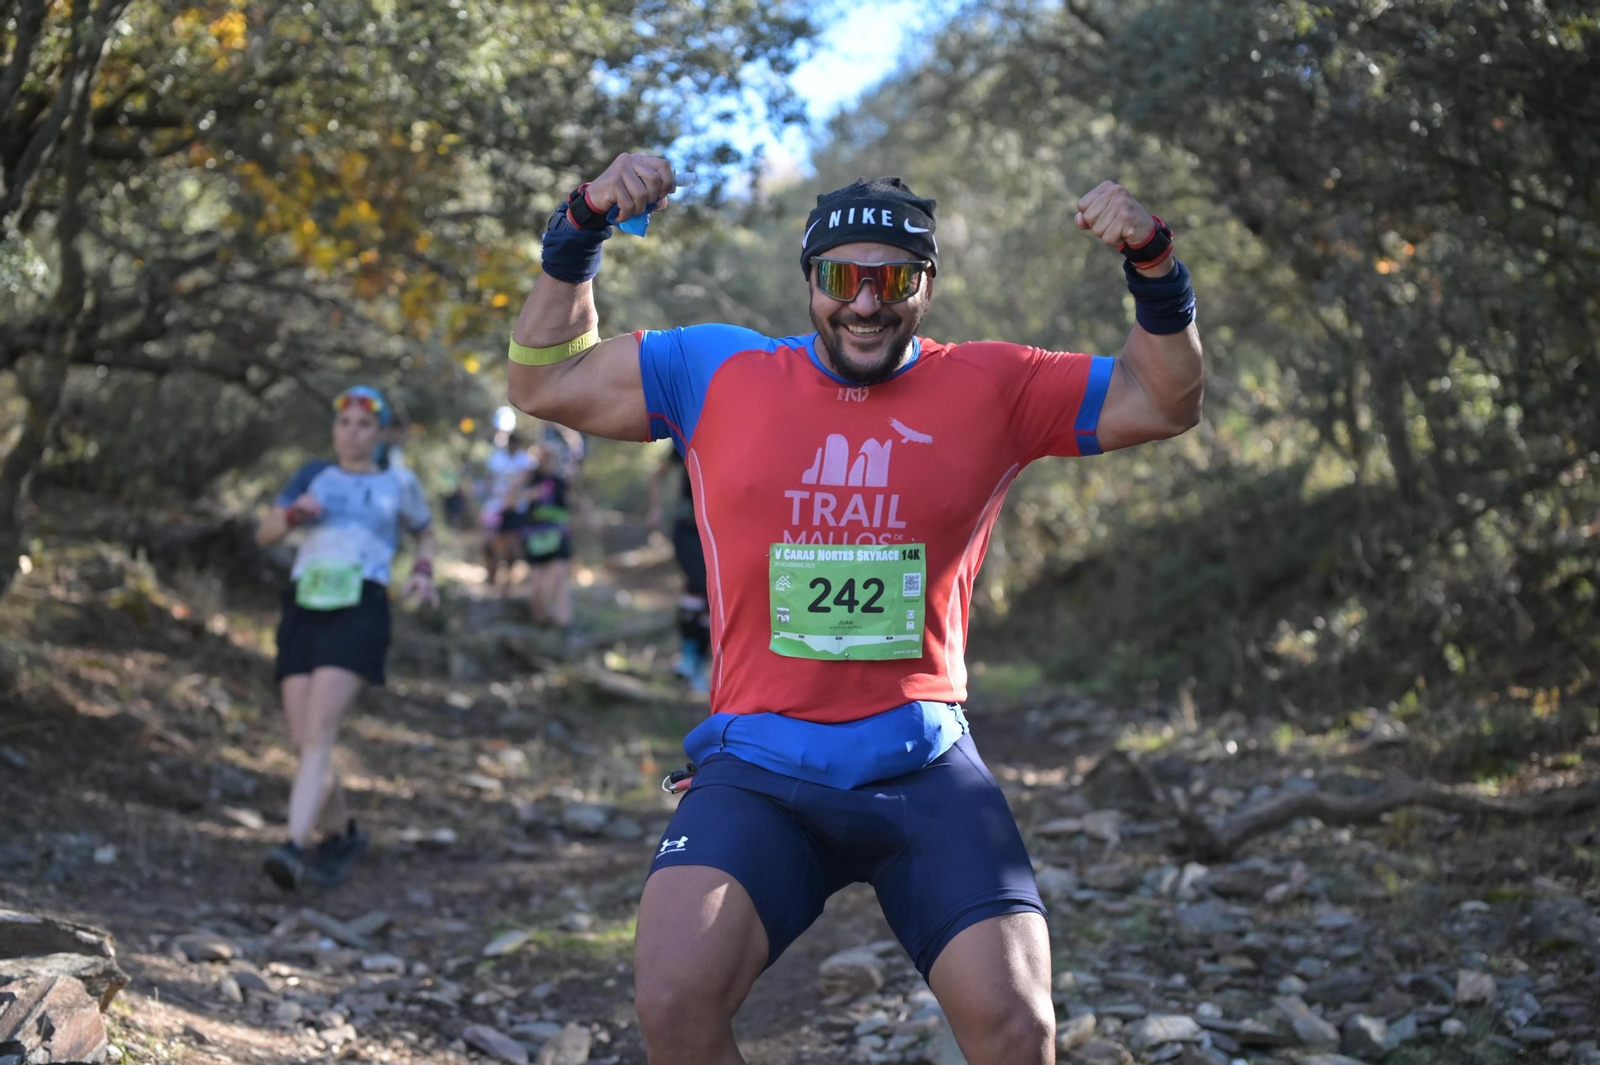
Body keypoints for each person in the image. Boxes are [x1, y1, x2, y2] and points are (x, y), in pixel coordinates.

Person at [504, 155, 1202, 1065]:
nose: (865, 304)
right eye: (841, 277)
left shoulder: (995, 385)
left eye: (893, 280)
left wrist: (1154, 264)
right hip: (757, 766)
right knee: (673, 1002)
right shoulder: (715, 370)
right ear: (808, 282)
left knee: (1019, 1030)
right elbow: (543, 378)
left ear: (926, 287)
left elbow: (1166, 397)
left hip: (920, 763)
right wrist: (579, 227)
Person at [255, 385, 439, 890]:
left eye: (363, 424)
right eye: (344, 423)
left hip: (360, 606)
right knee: (304, 739)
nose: (352, 432)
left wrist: (423, 570)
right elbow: (265, 533)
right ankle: (340, 833)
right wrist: (294, 514)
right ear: (334, 429)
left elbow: (424, 530)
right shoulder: (314, 476)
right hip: (304, 605)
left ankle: (292, 847)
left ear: (378, 431)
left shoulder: (398, 482)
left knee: (319, 734)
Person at [646, 448, 710, 693]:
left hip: (718, 530)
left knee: (706, 596)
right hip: (687, 529)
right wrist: (655, 509)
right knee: (698, 585)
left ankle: (697, 662)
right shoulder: (687, 435)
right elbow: (656, 475)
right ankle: (689, 658)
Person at [517, 441, 575, 629]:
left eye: (550, 455)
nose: (547, 459)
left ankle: (562, 627)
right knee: (537, 588)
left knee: (558, 582)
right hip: (535, 536)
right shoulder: (528, 477)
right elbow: (510, 499)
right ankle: (541, 626)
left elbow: (576, 499)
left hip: (558, 535)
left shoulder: (562, 478)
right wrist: (529, 494)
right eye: (543, 455)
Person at [481, 430, 533, 586]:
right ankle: (492, 575)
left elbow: (525, 480)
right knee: (489, 542)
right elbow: (488, 480)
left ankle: (508, 580)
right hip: (496, 506)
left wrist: (511, 498)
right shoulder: (496, 458)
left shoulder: (525, 460)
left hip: (516, 508)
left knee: (512, 545)